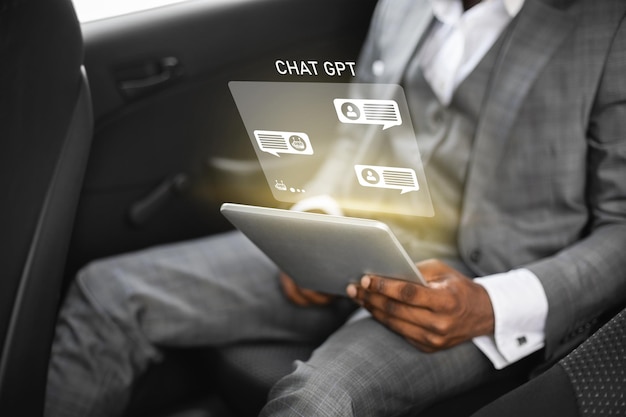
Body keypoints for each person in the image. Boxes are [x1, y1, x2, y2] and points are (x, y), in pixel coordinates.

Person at [45, 0, 626, 416]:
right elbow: (358, 133)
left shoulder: (607, 23)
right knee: (108, 293)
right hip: (362, 241)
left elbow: (622, 227)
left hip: (487, 281)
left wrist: (491, 305)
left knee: (314, 401)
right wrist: (319, 217)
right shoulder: (403, 6)